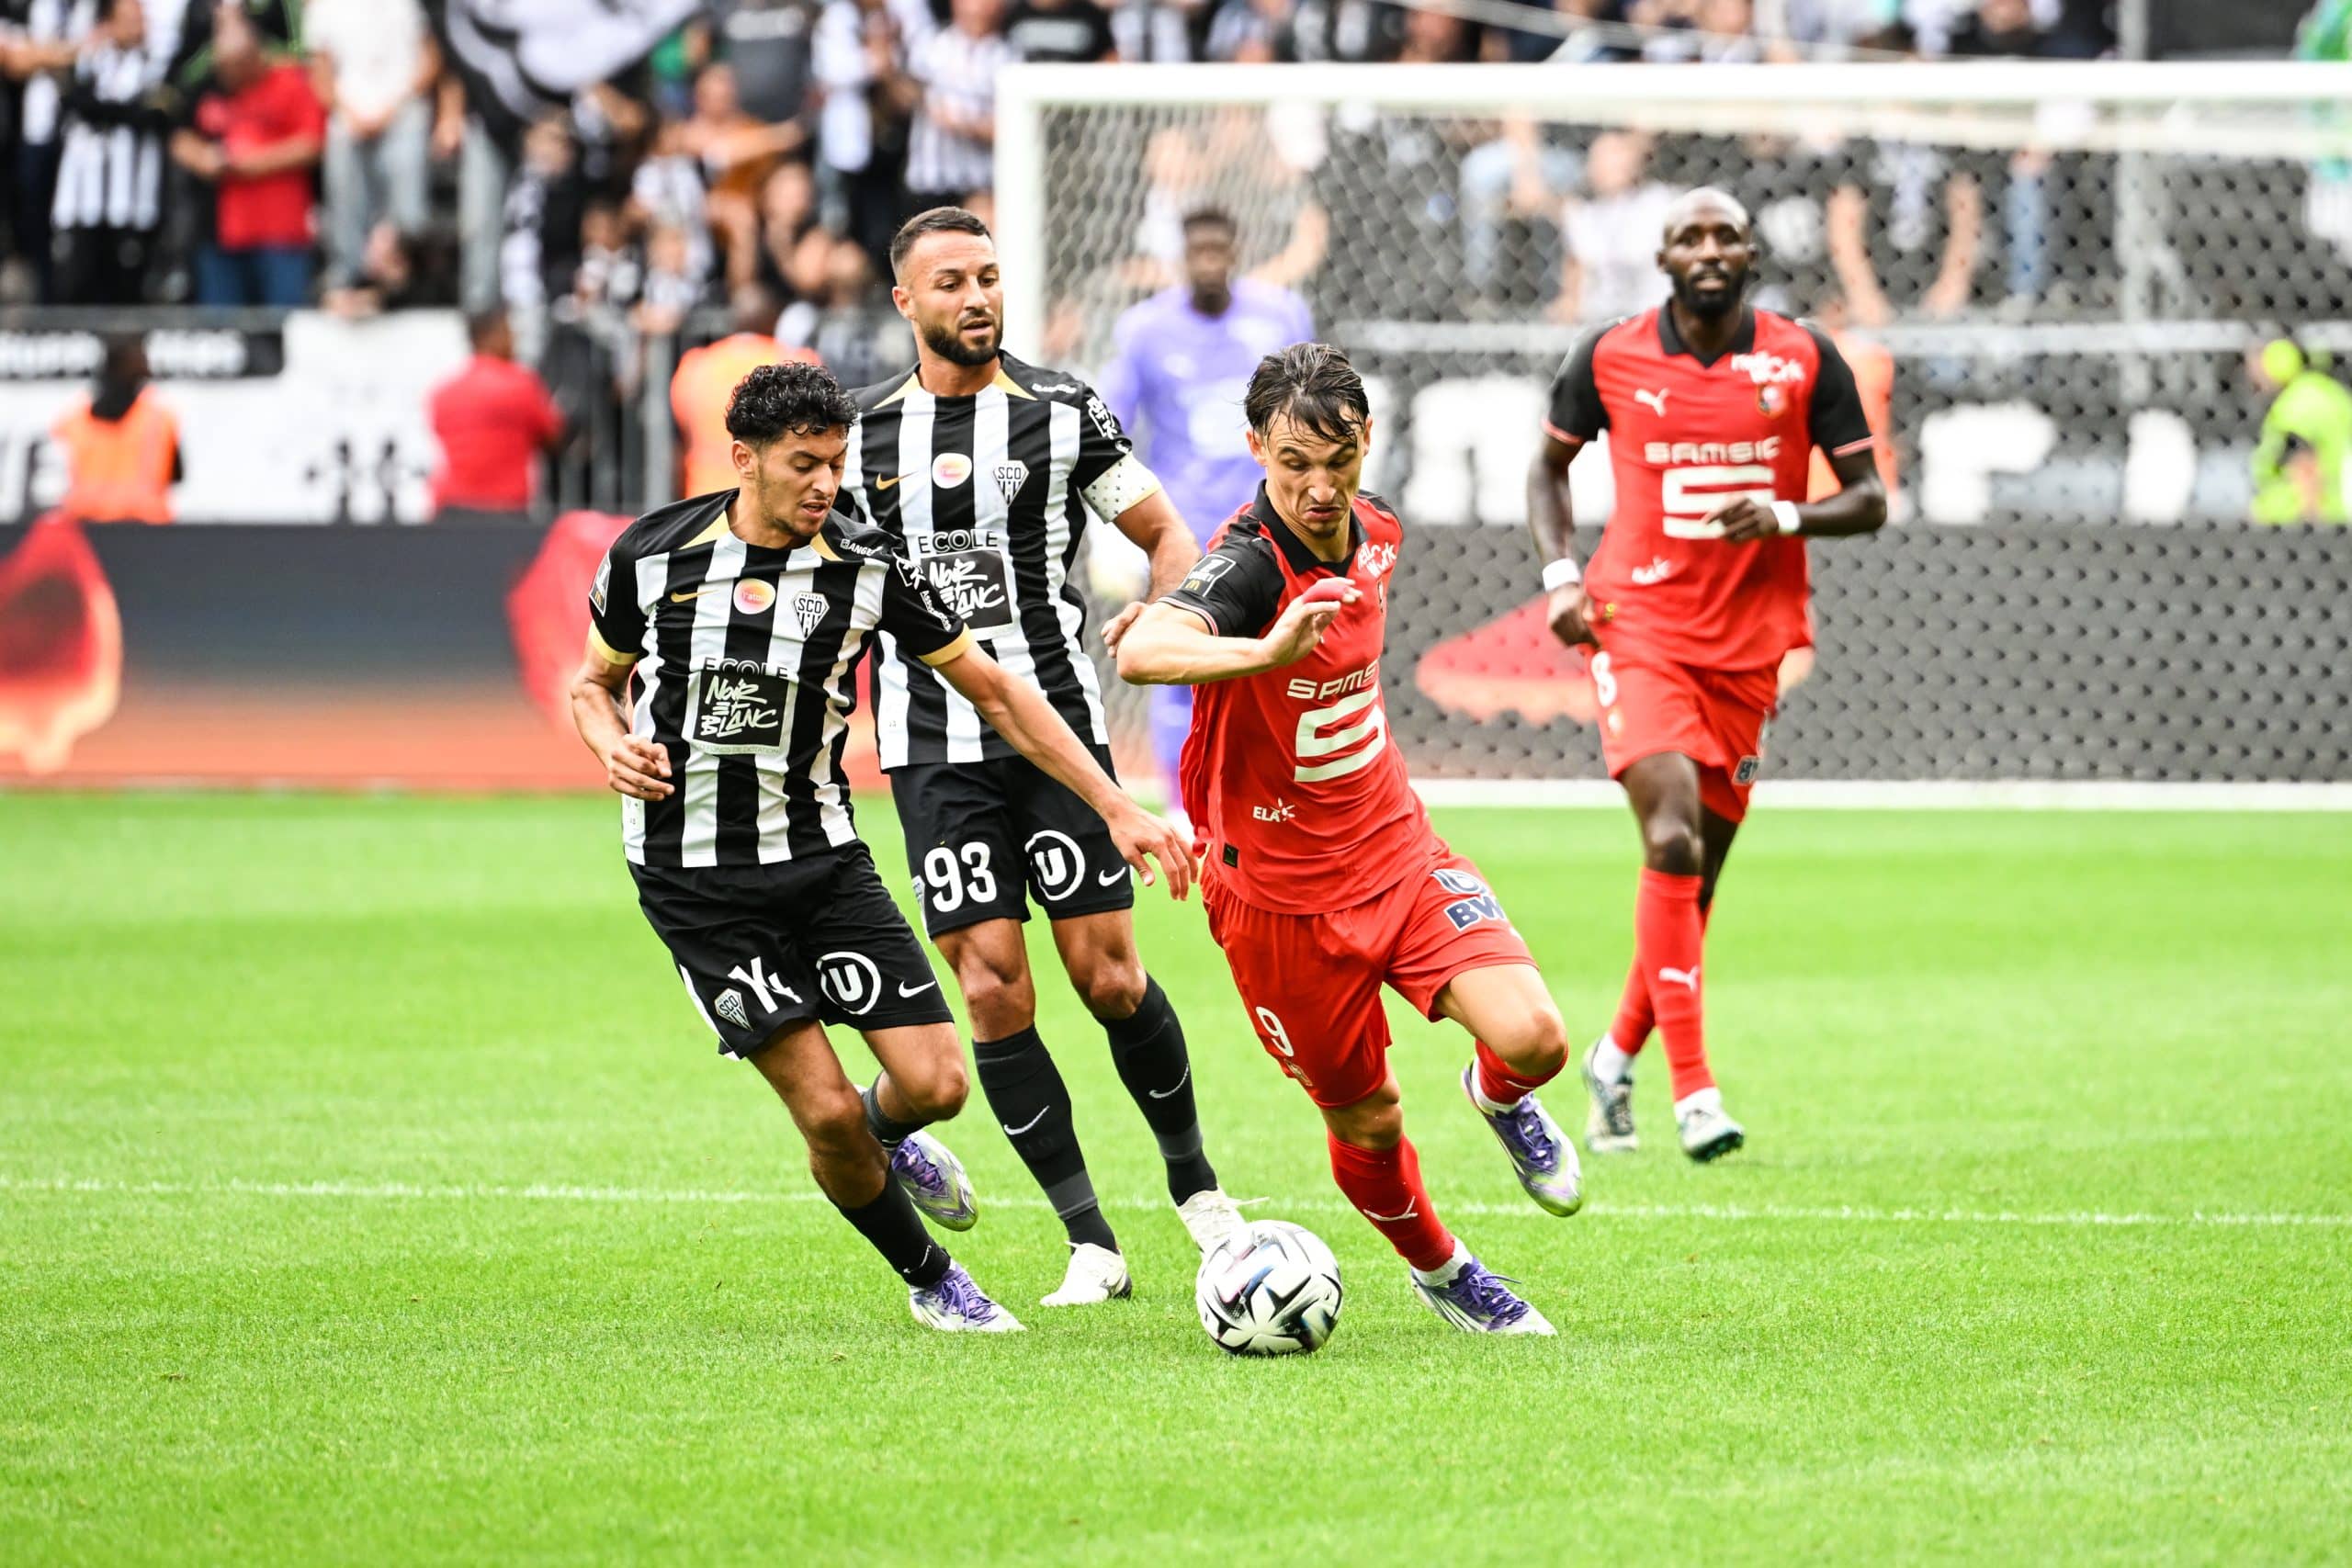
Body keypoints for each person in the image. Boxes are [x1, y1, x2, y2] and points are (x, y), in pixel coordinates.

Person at [570, 359, 1193, 1333]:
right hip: (696, 884)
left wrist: (1115, 805)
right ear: (744, 459)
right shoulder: (649, 556)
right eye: (803, 465)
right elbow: (591, 683)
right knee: (822, 1111)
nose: (825, 484)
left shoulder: (863, 566)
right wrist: (613, 745)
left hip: (824, 864)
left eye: (836, 463)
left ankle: (886, 1142)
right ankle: (934, 1277)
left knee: (937, 1086)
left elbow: (996, 693)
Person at [1110, 343, 1581, 1337]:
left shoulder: (1378, 532)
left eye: (1337, 461)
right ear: (1255, 451)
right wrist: (1258, 650)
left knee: (1535, 1039)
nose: (1317, 488)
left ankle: (1498, 1099)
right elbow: (1155, 644)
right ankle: (1445, 1272)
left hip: (1396, 851)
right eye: (1292, 466)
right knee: (1366, 1117)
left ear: (1367, 441)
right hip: (1280, 904)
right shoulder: (1244, 565)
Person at [834, 207, 1241, 1308]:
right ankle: (1089, 1244)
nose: (976, 297)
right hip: (934, 754)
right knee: (992, 990)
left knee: (1108, 974)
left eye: (989, 277)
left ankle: (1200, 1198)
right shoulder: (862, 441)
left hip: (1060, 740)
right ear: (905, 303)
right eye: (951, 281)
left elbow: (1168, 535)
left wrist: (1164, 619)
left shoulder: (1063, 413)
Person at [1527, 187, 1886, 1161]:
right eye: (1690, 235)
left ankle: (1614, 1057)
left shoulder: (1802, 356)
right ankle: (1694, 1095)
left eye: (1725, 233)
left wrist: (1784, 516)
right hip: (1635, 623)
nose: (1709, 248)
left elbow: (1869, 500)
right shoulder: (1609, 353)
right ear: (1663, 257)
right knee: (1672, 832)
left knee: (1696, 877)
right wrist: (1561, 575)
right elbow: (1547, 470)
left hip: (1748, 645)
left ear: (1751, 250)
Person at [1100, 206, 1313, 811]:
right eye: (1199, 251)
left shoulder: (1281, 316)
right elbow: (1109, 429)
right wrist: (1118, 529)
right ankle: (1184, 807)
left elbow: (1316, 413)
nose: (1209, 261)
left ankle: (1274, 800)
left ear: (1236, 250)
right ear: (1182, 256)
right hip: (1184, 534)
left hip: (1272, 525)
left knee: (1282, 661)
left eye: (1219, 249)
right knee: (1179, 666)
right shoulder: (1144, 330)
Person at [172, 5, 325, 307]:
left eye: (238, 65)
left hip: (281, 230)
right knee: (223, 333)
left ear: (257, 56)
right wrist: (203, 157)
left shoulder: (290, 82)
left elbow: (312, 142)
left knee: (283, 322)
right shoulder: (208, 88)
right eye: (224, 66)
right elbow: (178, 134)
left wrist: (253, 162)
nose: (230, 75)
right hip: (218, 230)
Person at [304, 0, 435, 298]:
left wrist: (391, 108)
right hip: (349, 117)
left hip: (403, 112)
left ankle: (406, 281)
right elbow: (320, 70)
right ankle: (349, 279)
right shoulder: (325, 7)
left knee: (409, 209)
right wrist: (349, 112)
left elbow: (431, 56)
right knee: (346, 199)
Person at [671, 291, 818, 496]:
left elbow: (681, 433)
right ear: (774, 324)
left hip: (705, 498)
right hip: (768, 499)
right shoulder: (795, 364)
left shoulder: (695, 365)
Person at [425, 310, 566, 524]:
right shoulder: (521, 384)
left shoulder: (443, 392)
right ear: (492, 336)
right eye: (508, 332)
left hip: (451, 508)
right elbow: (552, 433)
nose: (514, 340)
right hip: (506, 509)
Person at [51, 334, 179, 523]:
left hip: (90, 526)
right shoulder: (158, 419)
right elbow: (177, 475)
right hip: (143, 528)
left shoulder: (74, 420)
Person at [2248, 336, 2352, 525]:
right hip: (2340, 512)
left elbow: (2305, 465)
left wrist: (2311, 521)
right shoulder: (2334, 393)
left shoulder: (2294, 404)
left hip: (2293, 520)